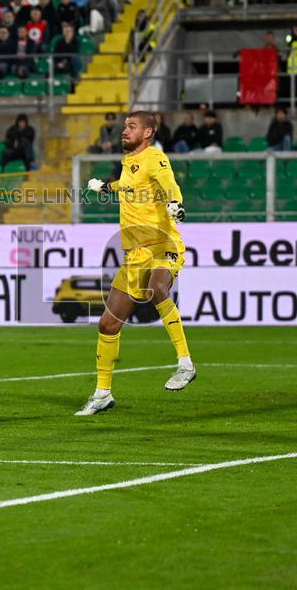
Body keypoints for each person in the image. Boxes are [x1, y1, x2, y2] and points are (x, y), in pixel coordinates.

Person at [81, 112, 194, 415]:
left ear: (148, 132)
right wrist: (104, 188)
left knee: (158, 287)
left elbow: (168, 183)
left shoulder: (155, 156)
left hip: (162, 244)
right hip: (135, 255)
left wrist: (175, 204)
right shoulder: (130, 164)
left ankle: (185, 363)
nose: (124, 131)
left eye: (132, 127)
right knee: (108, 324)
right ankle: (103, 393)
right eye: (125, 126)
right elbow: (127, 187)